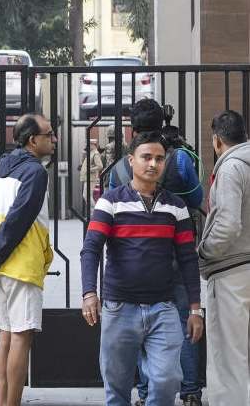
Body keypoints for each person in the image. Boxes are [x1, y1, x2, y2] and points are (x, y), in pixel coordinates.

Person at [81, 132, 204, 406]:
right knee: (118, 390)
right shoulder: (111, 202)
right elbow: (91, 248)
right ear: (131, 160)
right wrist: (89, 293)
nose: (153, 164)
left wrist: (195, 309)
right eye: (146, 157)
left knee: (166, 381)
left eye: (159, 159)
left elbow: (187, 258)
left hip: (163, 308)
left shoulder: (177, 207)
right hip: (119, 308)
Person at [0, 113, 55, 406]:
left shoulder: (3, 171)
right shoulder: (35, 173)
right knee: (21, 337)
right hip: (21, 264)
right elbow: (20, 218)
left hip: (1, 265)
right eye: (49, 134)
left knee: (6, 335)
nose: (54, 139)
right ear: (33, 140)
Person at [199, 110, 250, 405]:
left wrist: (205, 251)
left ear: (217, 140)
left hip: (231, 270)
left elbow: (228, 224)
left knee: (229, 358)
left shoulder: (231, 168)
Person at [80, 139, 103, 206]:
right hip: (88, 178)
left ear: (93, 145)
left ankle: (93, 211)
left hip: (91, 178)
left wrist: (90, 169)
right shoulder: (91, 153)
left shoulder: (95, 154)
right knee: (86, 196)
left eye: (89, 145)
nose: (87, 146)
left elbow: (100, 166)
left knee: (86, 196)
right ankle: (92, 212)